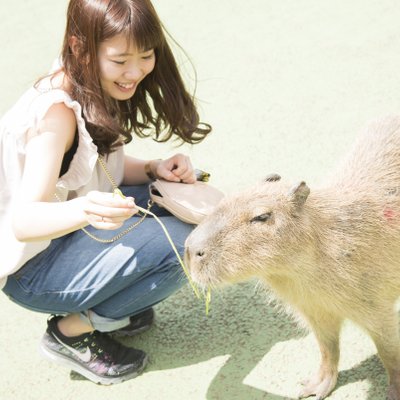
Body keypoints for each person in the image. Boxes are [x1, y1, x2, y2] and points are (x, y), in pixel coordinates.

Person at [0, 0, 211, 385]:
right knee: (189, 243)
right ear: (81, 47)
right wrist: (87, 209)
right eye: (120, 61)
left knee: (187, 200)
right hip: (34, 270)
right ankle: (70, 334)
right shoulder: (56, 115)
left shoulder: (85, 78)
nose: (136, 72)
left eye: (146, 56)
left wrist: (153, 169)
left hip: (60, 237)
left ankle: (116, 298)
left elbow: (98, 167)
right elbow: (23, 221)